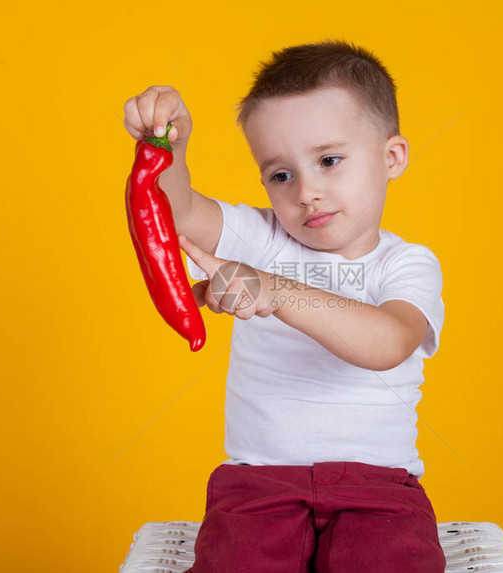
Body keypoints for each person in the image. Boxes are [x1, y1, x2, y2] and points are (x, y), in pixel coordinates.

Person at [123, 40, 446, 573]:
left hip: (379, 486)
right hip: (257, 483)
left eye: (329, 160)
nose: (306, 191)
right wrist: (171, 144)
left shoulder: (406, 264)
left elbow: (388, 342)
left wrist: (275, 291)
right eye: (280, 174)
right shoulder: (263, 238)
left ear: (392, 158)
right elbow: (176, 210)